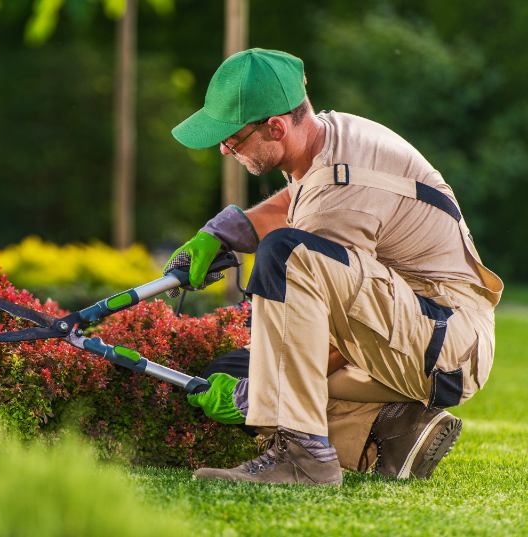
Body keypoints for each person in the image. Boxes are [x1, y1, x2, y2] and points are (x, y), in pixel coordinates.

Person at [166, 48, 503, 485]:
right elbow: (301, 198)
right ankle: (396, 427)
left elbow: (337, 324)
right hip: (416, 329)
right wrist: (229, 230)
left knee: (283, 273)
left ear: (275, 126)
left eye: (233, 137)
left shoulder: (341, 198)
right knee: (235, 369)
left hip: (445, 345)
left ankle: (305, 458)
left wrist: (260, 396)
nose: (224, 148)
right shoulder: (331, 136)